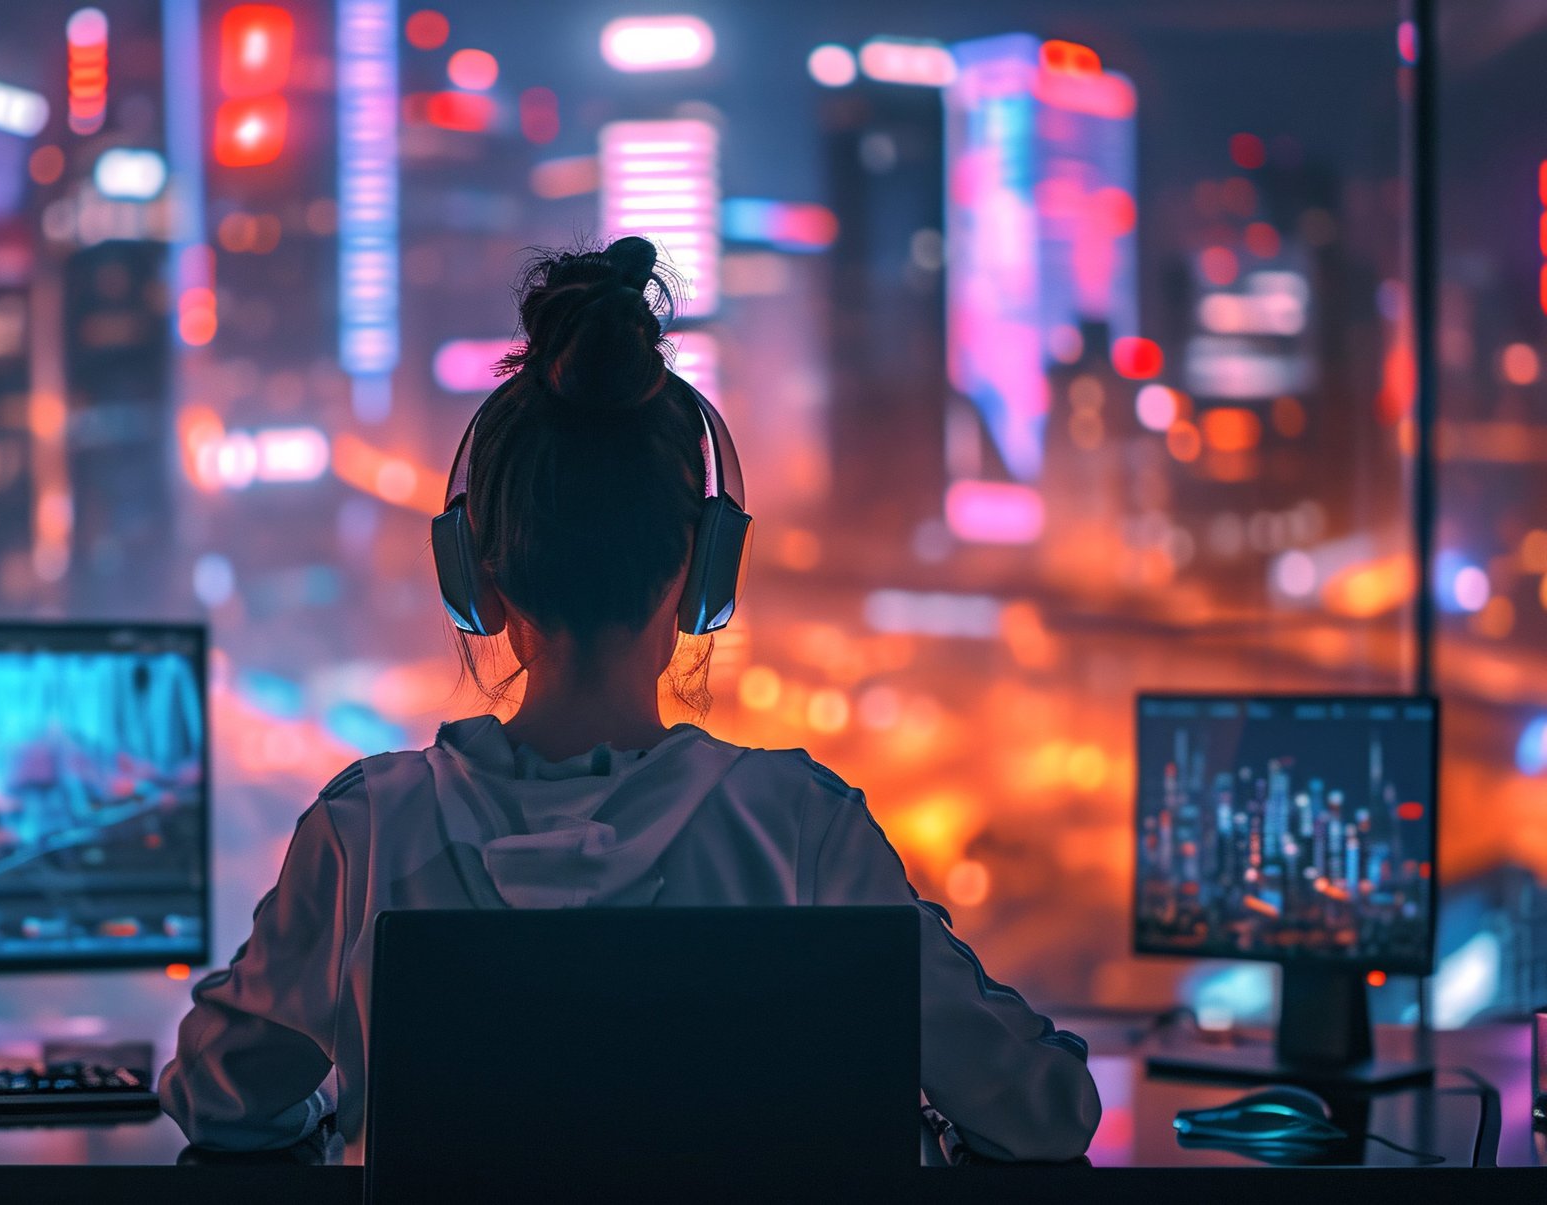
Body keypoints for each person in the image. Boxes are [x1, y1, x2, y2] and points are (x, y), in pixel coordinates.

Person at [158, 236, 1102, 1164]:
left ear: (472, 582)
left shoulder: (366, 832)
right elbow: (1044, 1114)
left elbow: (217, 1095)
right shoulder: (802, 829)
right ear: (708, 574)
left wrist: (348, 1112)